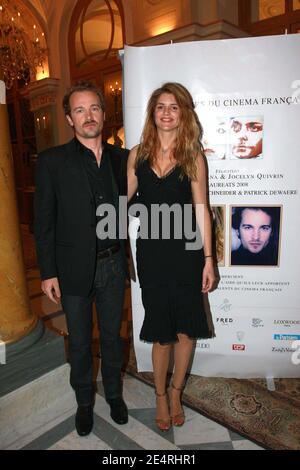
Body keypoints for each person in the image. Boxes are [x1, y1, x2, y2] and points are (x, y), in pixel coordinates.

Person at [34, 81, 129, 437]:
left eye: (94, 109)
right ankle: (84, 403)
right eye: (79, 110)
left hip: (113, 263)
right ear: (69, 119)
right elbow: (43, 222)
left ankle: (116, 396)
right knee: (79, 341)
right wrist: (48, 272)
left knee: (111, 335)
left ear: (104, 115)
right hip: (73, 269)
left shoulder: (123, 159)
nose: (88, 116)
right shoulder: (52, 162)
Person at [127, 82, 215, 431]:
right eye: (160, 106)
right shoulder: (137, 154)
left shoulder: (193, 156)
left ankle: (176, 391)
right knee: (161, 330)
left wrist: (209, 259)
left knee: (185, 330)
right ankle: (160, 395)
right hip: (151, 252)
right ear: (152, 113)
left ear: (184, 114)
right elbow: (120, 202)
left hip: (187, 253)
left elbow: (202, 210)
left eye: (173, 107)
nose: (166, 112)